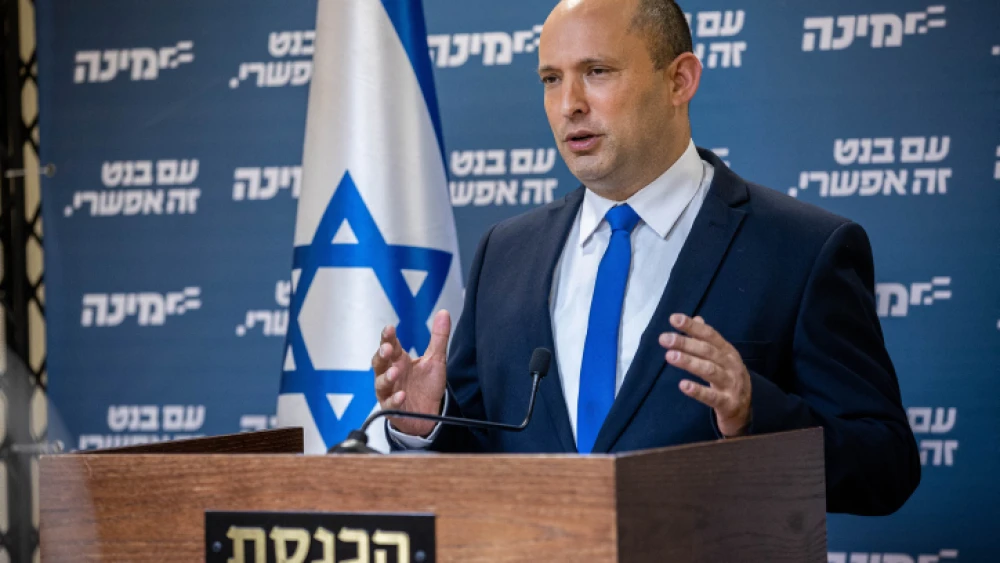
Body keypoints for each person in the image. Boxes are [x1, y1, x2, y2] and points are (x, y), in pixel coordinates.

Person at [371, 0, 920, 515]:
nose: (570, 105)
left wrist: (755, 414)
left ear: (679, 80)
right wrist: (428, 424)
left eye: (598, 72)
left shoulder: (801, 247)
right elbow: (483, 457)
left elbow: (885, 465)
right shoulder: (506, 253)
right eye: (551, 79)